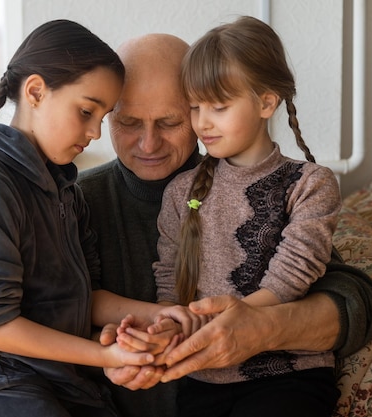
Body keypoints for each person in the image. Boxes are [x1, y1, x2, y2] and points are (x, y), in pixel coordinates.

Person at [77, 32, 372, 417]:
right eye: (129, 122)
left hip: (278, 386)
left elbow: (351, 297)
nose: (148, 144)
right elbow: (47, 308)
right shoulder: (79, 199)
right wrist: (105, 346)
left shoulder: (280, 183)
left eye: (170, 121)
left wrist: (258, 326)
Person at [0, 19, 200, 417]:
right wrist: (105, 355)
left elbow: (81, 299)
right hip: (1, 391)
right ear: (35, 92)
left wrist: (158, 314)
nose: (96, 132)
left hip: (62, 383)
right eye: (86, 111)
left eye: (103, 116)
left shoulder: (62, 186)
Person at [150, 16, 341, 417]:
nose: (202, 122)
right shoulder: (180, 193)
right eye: (195, 106)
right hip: (202, 377)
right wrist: (167, 325)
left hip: (289, 375)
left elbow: (292, 274)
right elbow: (169, 281)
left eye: (219, 106)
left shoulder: (311, 184)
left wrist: (230, 326)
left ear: (266, 102)